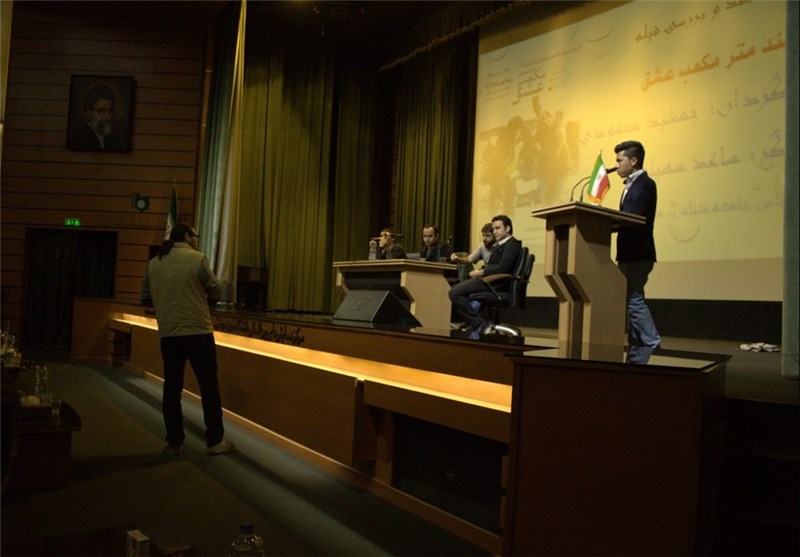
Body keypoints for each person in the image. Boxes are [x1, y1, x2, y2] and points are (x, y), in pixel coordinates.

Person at [140, 222, 234, 456]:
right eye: (196, 235)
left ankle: (174, 443)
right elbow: (215, 290)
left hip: (169, 334)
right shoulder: (197, 258)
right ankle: (215, 441)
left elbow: (145, 298)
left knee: (172, 389)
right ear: (187, 236)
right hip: (198, 332)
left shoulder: (154, 263)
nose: (198, 239)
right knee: (208, 387)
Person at [614, 140, 661, 363]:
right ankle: (639, 342)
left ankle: (651, 341)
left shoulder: (646, 184)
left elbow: (635, 216)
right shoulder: (629, 185)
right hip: (628, 253)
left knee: (633, 299)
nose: (616, 165)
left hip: (638, 252)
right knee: (632, 298)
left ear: (633, 161)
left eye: (619, 160)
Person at [448, 215, 522, 334]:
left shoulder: (512, 245)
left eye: (498, 228)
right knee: (459, 292)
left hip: (495, 283)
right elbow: (494, 265)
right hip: (490, 281)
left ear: (508, 229)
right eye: (494, 229)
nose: (494, 232)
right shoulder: (501, 245)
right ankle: (476, 323)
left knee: (454, 293)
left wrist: (481, 272)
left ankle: (479, 324)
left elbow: (503, 268)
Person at [71, 84, 123, 150]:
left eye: (109, 111)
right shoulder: (81, 139)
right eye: (101, 111)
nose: (107, 116)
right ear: (89, 113)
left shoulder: (113, 141)